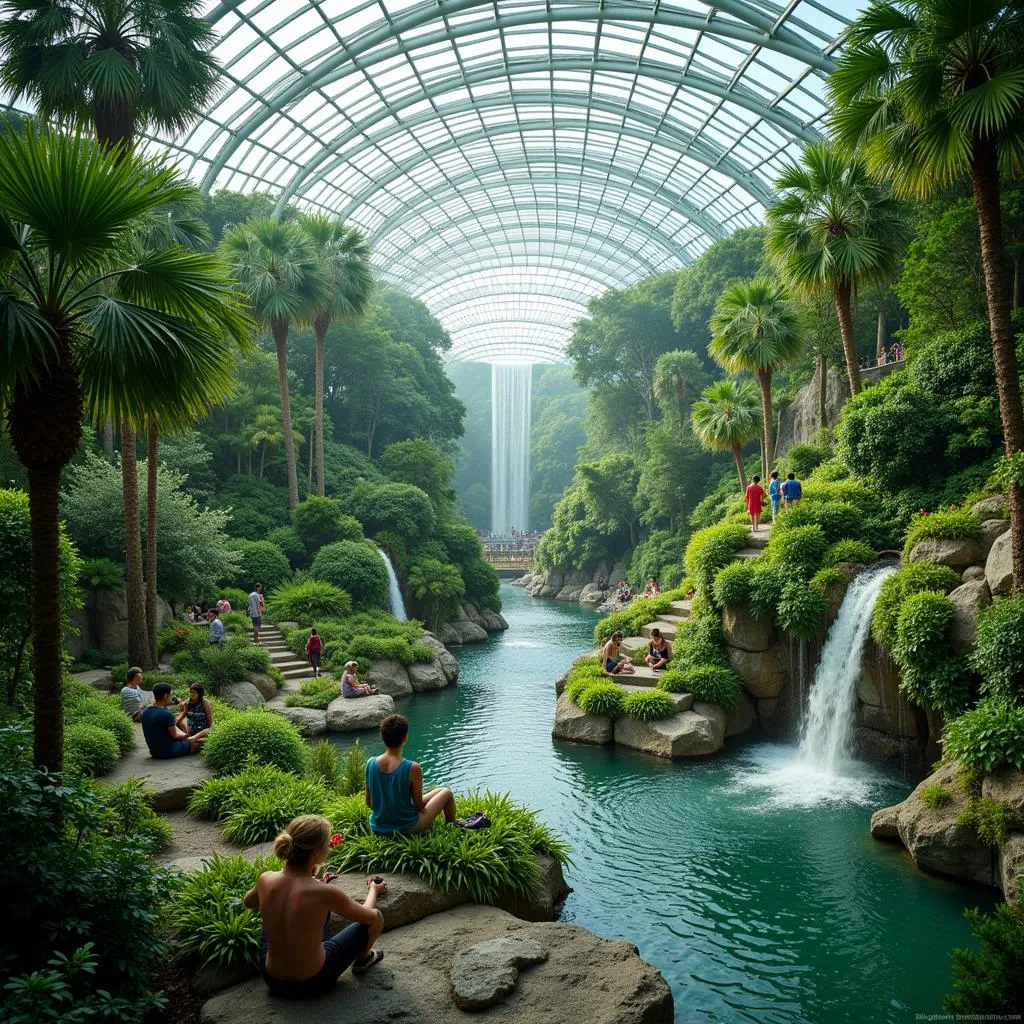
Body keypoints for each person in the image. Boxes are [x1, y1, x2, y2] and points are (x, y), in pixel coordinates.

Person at [244, 814, 386, 999]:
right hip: (313, 982)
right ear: (317, 852)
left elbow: (249, 902)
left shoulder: (266, 879)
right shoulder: (324, 893)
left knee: (277, 912)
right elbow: (369, 917)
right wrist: (373, 890)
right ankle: (362, 960)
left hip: (272, 979)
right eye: (327, 843)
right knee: (377, 916)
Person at [365, 714, 457, 834]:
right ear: (405, 738)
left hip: (377, 827)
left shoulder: (370, 763)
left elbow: (369, 803)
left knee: (439, 791)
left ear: (382, 737)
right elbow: (419, 807)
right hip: (406, 828)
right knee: (447, 793)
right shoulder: (412, 768)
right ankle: (452, 826)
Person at [141, 682, 204, 758]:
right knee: (196, 744)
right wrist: (187, 735)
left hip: (154, 752)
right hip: (168, 751)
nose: (171, 696)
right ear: (166, 695)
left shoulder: (145, 711)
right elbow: (176, 736)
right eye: (171, 694)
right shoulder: (167, 714)